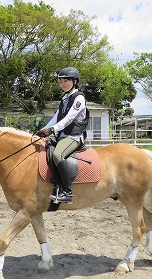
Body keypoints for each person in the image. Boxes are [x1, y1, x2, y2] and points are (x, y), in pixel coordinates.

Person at [35, 67, 89, 203]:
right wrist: (41, 131)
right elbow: (56, 118)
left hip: (74, 137)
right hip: (62, 135)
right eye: (61, 81)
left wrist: (52, 130)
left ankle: (67, 192)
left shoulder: (79, 98)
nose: (62, 84)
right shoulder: (64, 99)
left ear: (75, 81)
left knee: (58, 155)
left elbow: (69, 119)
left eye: (66, 81)